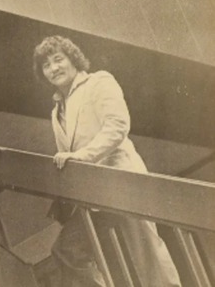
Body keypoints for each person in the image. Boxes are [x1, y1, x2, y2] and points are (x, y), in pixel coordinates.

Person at [33, 36, 181, 287]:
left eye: (58, 60)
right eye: (46, 65)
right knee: (67, 250)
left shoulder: (98, 81)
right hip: (94, 196)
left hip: (122, 182)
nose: (53, 68)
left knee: (146, 255)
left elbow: (117, 126)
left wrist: (82, 156)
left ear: (73, 59)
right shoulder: (56, 111)